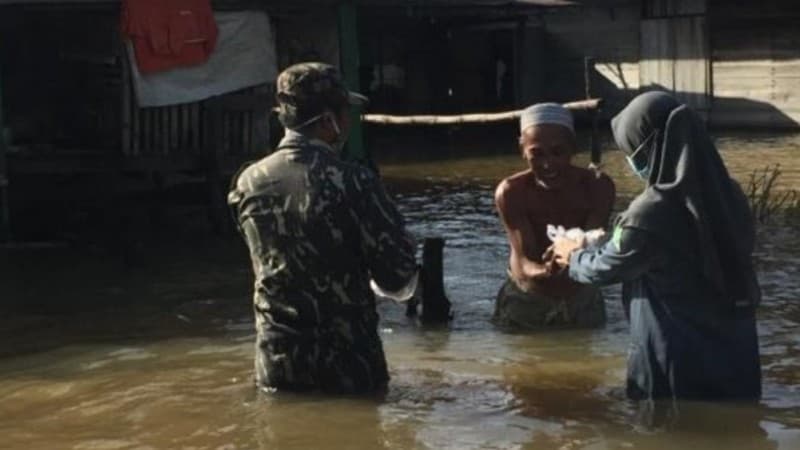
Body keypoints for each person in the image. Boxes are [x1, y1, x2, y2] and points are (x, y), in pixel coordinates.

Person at [547, 91, 762, 401]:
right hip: (735, 355)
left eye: (631, 151)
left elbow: (604, 269)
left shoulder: (651, 211)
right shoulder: (730, 195)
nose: (630, 162)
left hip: (674, 360)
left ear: (649, 148)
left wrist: (573, 253)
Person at [227, 62, 418, 395]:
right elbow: (399, 279)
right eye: (346, 114)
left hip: (277, 364)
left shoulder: (248, 182)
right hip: (349, 367)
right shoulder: (354, 181)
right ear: (330, 120)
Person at [493, 103, 615, 328]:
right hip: (527, 297)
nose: (548, 164)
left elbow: (591, 241)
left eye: (558, 152)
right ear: (522, 149)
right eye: (537, 154)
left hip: (582, 296)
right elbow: (523, 260)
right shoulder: (512, 192)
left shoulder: (598, 186)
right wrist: (547, 270)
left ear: (573, 147)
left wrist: (571, 257)